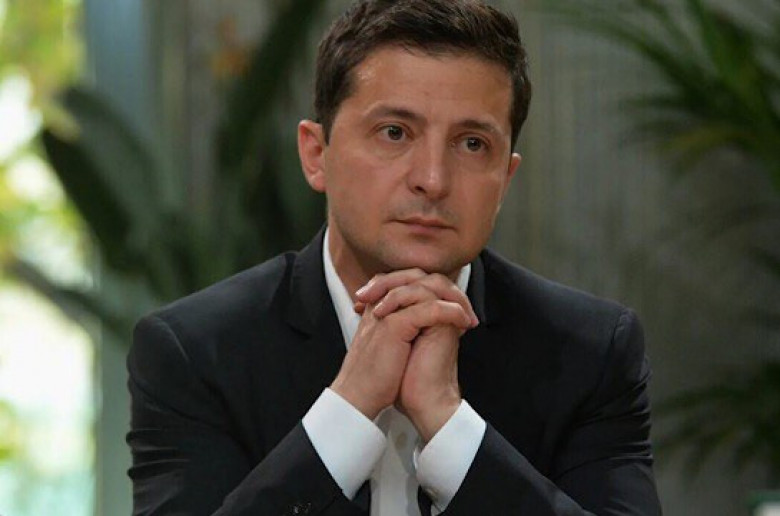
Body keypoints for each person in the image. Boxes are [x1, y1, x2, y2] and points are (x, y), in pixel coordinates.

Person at [126, 1, 662, 515]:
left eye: (472, 144)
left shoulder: (589, 351)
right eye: (394, 133)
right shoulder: (196, 352)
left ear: (505, 179)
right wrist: (349, 408)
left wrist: (450, 426)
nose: (432, 178)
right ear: (316, 155)